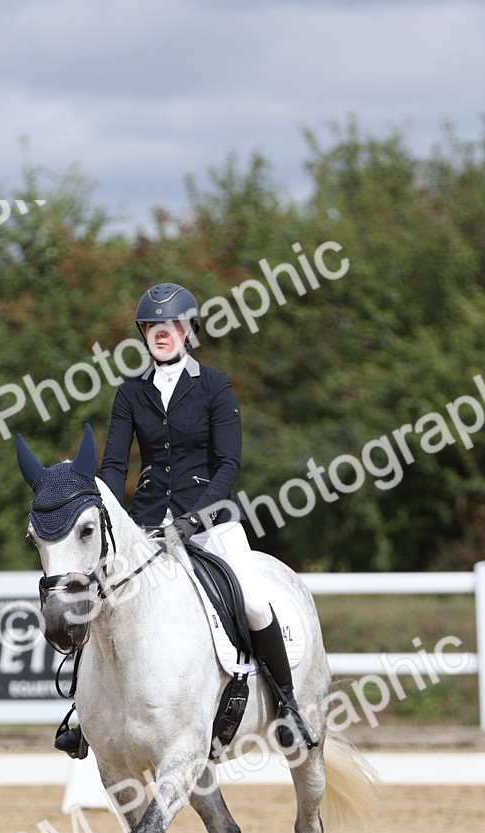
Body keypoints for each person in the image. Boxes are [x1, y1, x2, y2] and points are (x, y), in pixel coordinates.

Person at [54, 281, 317, 758]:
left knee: (255, 603)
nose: (162, 332)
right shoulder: (130, 393)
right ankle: (82, 713)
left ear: (188, 330)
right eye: (153, 325)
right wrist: (111, 513)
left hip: (213, 518)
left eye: (172, 325)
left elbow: (228, 465)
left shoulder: (215, 385)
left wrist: (196, 519)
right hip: (148, 523)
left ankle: (287, 707)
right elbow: (114, 464)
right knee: (102, 599)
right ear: (144, 333)